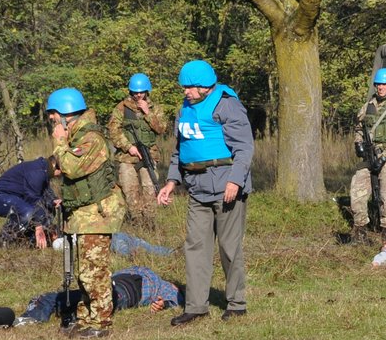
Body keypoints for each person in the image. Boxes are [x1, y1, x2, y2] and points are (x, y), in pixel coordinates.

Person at [158, 59, 254, 325]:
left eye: (190, 87)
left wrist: (235, 181)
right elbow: (181, 149)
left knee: (228, 246)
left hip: (226, 186)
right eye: (184, 87)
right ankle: (196, 306)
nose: (185, 92)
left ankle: (236, 303)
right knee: (195, 246)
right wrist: (171, 181)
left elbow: (245, 148)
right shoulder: (185, 109)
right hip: (197, 188)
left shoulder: (227, 105)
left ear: (205, 86)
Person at [48, 86, 127, 338]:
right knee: (84, 271)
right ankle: (86, 317)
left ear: (65, 114)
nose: (51, 121)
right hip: (84, 212)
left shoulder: (91, 138)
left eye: (53, 115)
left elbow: (70, 167)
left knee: (94, 270)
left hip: (98, 214)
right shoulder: (79, 137)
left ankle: (101, 322)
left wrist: (59, 141)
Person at [350, 68, 386, 241]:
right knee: (357, 190)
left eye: (384, 84)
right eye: (378, 84)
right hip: (369, 155)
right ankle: (360, 231)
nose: (381, 87)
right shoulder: (368, 106)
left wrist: (383, 157)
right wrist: (358, 143)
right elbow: (359, 127)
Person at [15, 266, 182, 325]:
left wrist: (163, 305)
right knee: (55, 297)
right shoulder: (145, 270)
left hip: (122, 294)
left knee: (95, 304)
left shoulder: (166, 288)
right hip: (106, 283)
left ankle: (76, 319)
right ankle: (33, 317)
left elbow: (175, 300)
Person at [107, 73, 169, 219]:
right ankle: (136, 219)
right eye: (135, 92)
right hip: (127, 156)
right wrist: (129, 147)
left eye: (141, 92)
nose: (138, 95)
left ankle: (149, 221)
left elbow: (161, 129)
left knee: (150, 188)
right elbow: (113, 131)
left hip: (149, 154)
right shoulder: (122, 108)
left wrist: (148, 112)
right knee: (130, 190)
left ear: (147, 91)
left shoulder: (155, 108)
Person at [0, 156, 55, 248]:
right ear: (55, 167)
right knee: (27, 212)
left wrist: (54, 200)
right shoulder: (36, 173)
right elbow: (33, 200)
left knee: (46, 210)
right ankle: (2, 240)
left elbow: (44, 193)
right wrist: (38, 226)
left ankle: (31, 242)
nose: (60, 176)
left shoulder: (44, 170)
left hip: (15, 198)